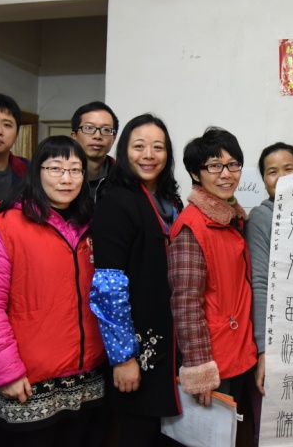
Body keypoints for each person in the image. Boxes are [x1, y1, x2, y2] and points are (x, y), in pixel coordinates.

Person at [0, 136, 106, 446]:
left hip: (89, 375)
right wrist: (6, 372)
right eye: (55, 168)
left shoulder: (93, 225)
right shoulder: (9, 225)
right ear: (37, 172)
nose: (66, 179)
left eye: (75, 170)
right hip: (30, 380)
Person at [89, 114, 184, 446]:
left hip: (172, 345)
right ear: (124, 151)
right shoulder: (117, 200)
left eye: (158, 147)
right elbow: (108, 288)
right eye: (139, 146)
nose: (148, 155)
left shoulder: (171, 201)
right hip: (138, 351)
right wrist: (123, 357)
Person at [168, 127, 257, 410]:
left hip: (239, 346)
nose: (226, 174)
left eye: (233, 165)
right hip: (214, 357)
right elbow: (186, 302)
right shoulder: (192, 226)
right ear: (196, 174)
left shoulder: (232, 218)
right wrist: (199, 368)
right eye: (215, 166)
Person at [245, 142, 293, 443]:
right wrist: (264, 350)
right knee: (273, 430)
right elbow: (260, 283)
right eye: (272, 172)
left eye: (289, 169)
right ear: (264, 180)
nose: (281, 177)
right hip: (277, 339)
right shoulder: (262, 217)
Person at [71, 101, 119, 202]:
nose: (97, 136)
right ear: (74, 136)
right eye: (89, 128)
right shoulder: (59, 178)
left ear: (113, 139)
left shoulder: (124, 179)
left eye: (106, 130)